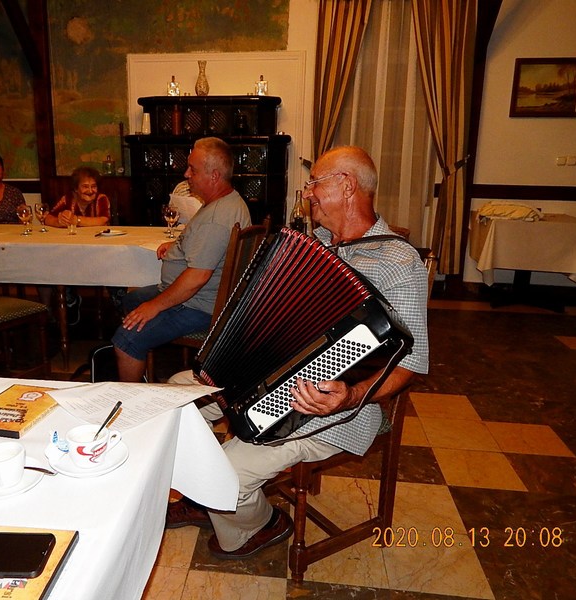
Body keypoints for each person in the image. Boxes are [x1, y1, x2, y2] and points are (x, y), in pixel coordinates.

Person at [164, 145, 429, 560]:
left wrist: (351, 395)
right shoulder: (313, 244)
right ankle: (206, 498)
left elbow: (411, 365)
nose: (307, 193)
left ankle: (261, 523)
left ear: (346, 186)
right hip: (259, 380)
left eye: (314, 183)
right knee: (171, 402)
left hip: (335, 408)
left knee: (226, 473)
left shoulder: (398, 262)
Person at [112, 137, 251, 382]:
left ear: (214, 176)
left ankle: (133, 394)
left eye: (192, 170)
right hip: (208, 298)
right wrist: (179, 246)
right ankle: (143, 368)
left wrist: (154, 307)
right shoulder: (230, 202)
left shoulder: (215, 219)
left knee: (126, 340)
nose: (186, 174)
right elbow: (208, 247)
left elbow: (197, 277)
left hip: (198, 305)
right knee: (131, 300)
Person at [45, 166, 110, 229]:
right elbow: (48, 218)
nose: (90, 191)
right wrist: (59, 222)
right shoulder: (67, 199)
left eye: (93, 186)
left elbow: (103, 220)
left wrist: (77, 220)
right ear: (76, 188)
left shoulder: (101, 198)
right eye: (85, 186)